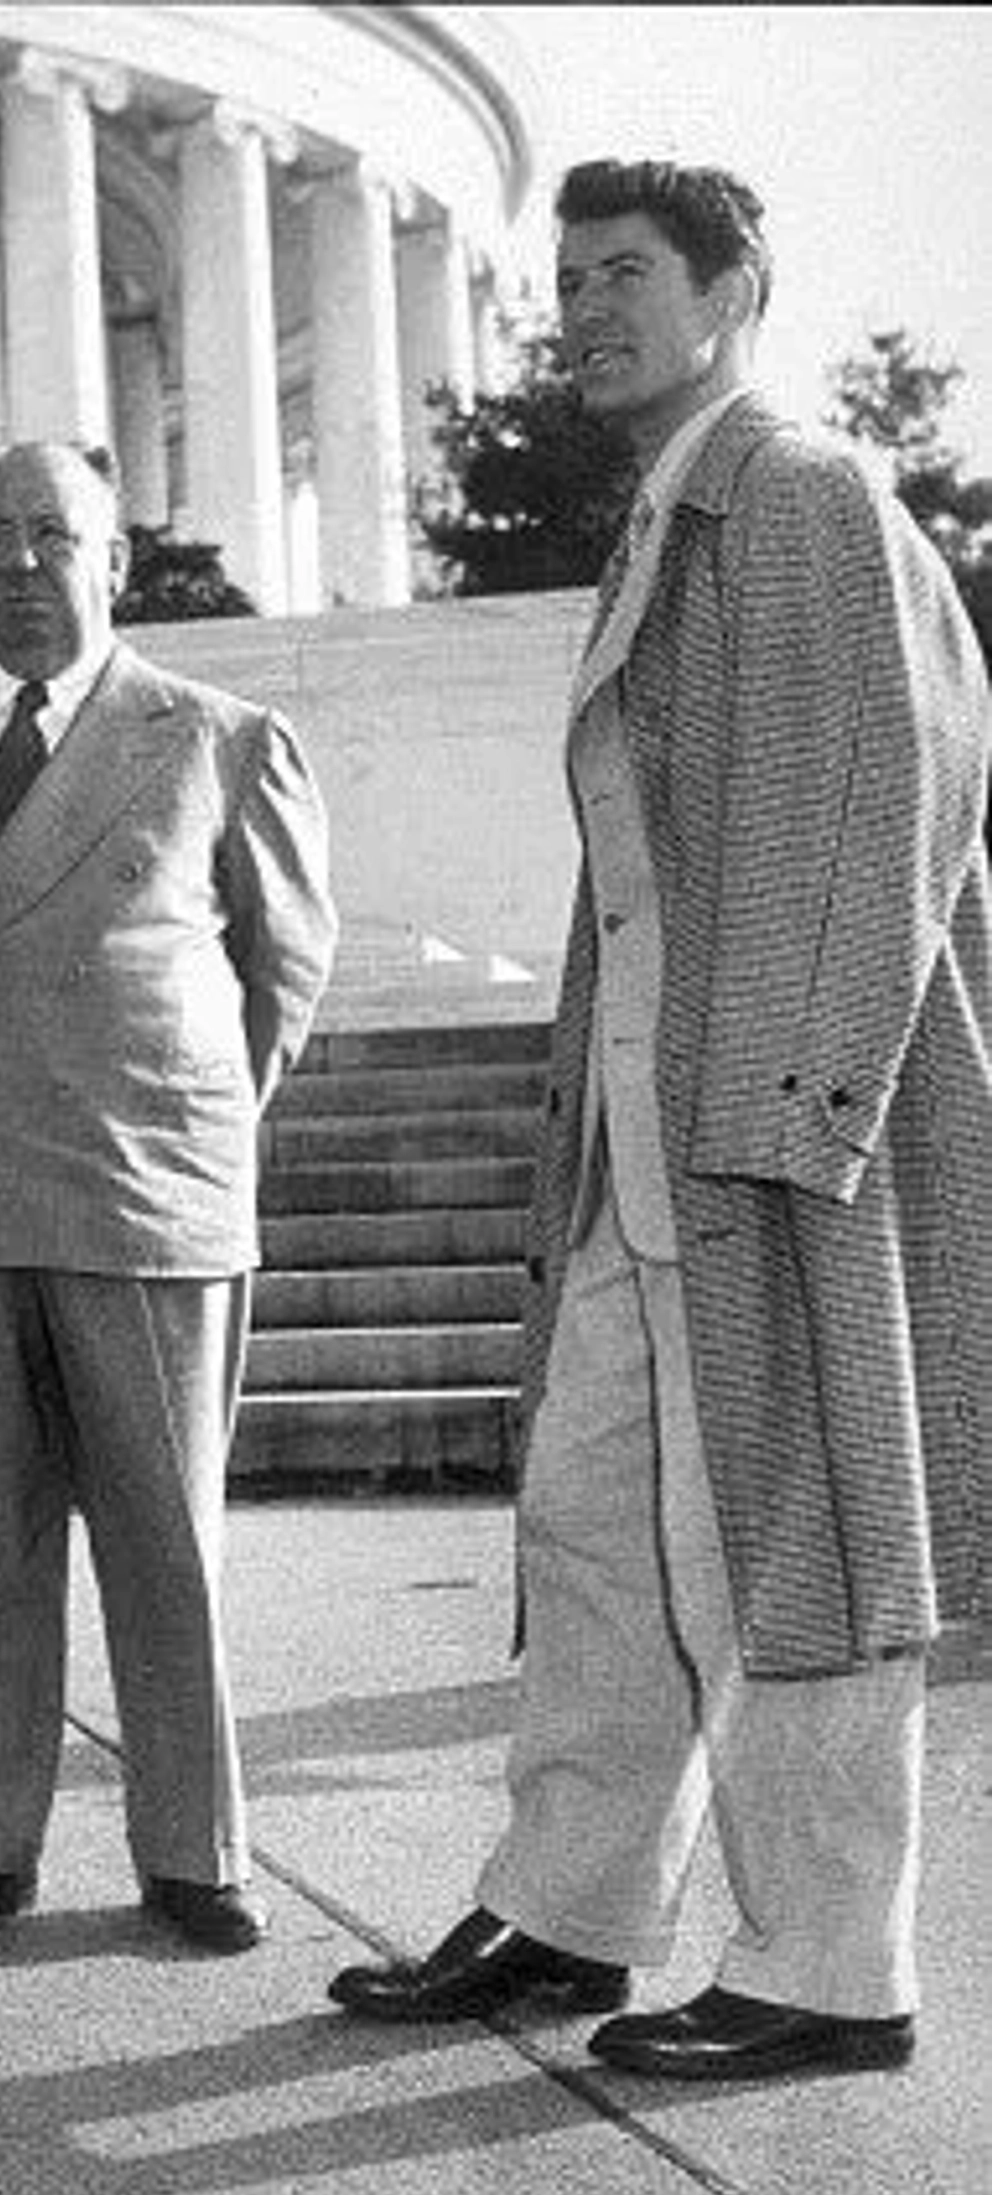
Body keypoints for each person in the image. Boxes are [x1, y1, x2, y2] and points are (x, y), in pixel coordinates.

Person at [328, 161, 992, 2079]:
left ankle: (834, 1968)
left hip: (772, 1136)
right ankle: (572, 1908)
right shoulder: (672, 517)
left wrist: (794, 1116)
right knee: (601, 1530)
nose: (586, 310)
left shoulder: (795, 492)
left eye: (626, 273)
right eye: (571, 280)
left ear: (736, 286)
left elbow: (876, 804)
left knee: (793, 1538)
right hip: (648, 1150)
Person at [0, 439, 338, 1957]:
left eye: (51, 534)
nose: (17, 563)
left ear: (114, 559)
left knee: (165, 1538)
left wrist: (185, 1121)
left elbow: (285, 970)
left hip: (142, 1190)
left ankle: (194, 1848)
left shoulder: (217, 738)